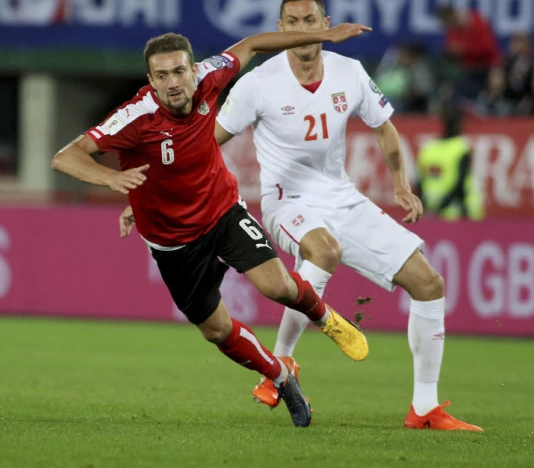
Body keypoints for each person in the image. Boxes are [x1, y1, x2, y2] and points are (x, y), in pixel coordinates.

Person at [51, 23, 372, 428]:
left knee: (277, 287)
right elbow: (65, 156)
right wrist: (112, 179)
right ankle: (281, 376)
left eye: (178, 71)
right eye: (162, 75)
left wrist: (322, 36)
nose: (173, 82)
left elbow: (253, 44)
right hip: (173, 244)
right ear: (150, 80)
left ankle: (325, 318)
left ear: (193, 69)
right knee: (216, 331)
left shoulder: (211, 76)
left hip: (222, 212)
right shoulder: (135, 116)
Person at [212, 0, 482, 431]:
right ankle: (281, 364)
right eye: (292, 22)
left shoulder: (350, 72)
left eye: (309, 20)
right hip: (287, 201)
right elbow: (208, 142)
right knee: (325, 249)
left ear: (325, 24)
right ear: (280, 28)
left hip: (342, 197)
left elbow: (384, 127)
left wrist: (400, 184)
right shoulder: (258, 83)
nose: (302, 29)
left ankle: (425, 408)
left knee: (429, 284)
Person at [417, 106, 484, 221]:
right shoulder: (461, 147)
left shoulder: (428, 148)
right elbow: (460, 185)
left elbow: (419, 183)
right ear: (460, 124)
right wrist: (440, 206)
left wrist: (427, 207)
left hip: (434, 211)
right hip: (456, 212)